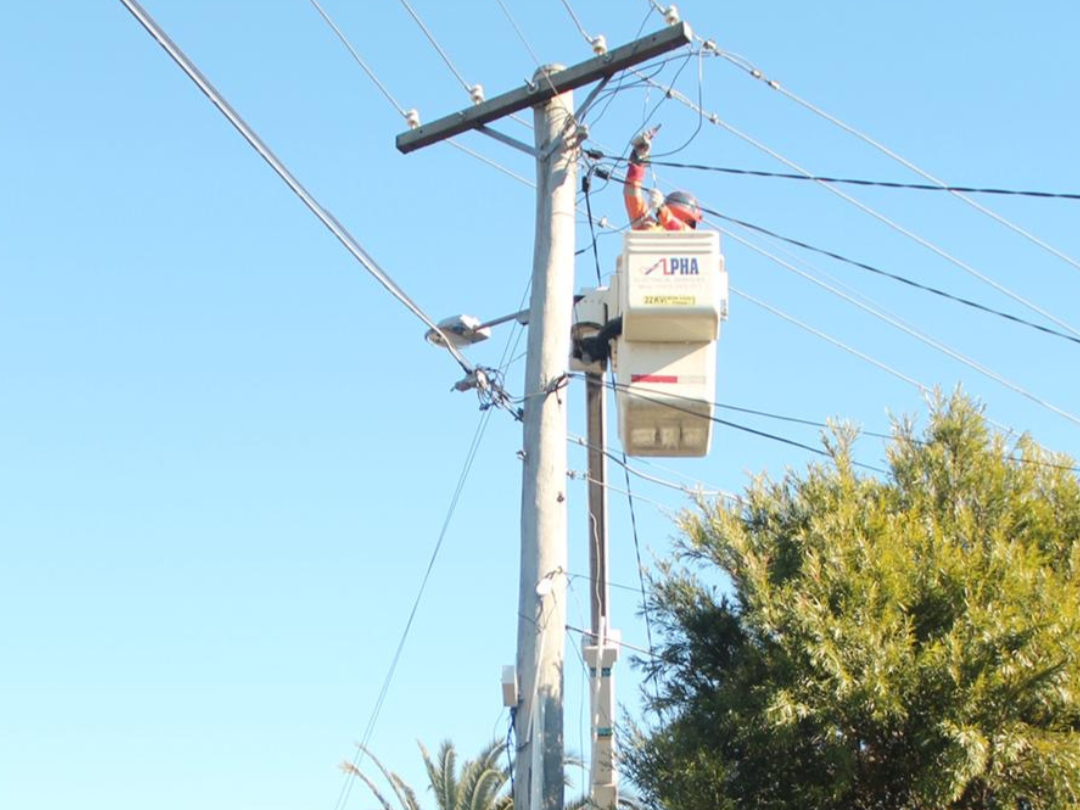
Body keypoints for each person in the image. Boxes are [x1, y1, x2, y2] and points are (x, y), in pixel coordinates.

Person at [623, 128, 703, 231]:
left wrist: (661, 209)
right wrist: (639, 159)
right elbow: (632, 197)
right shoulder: (651, 229)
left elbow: (681, 233)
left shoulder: (695, 241)